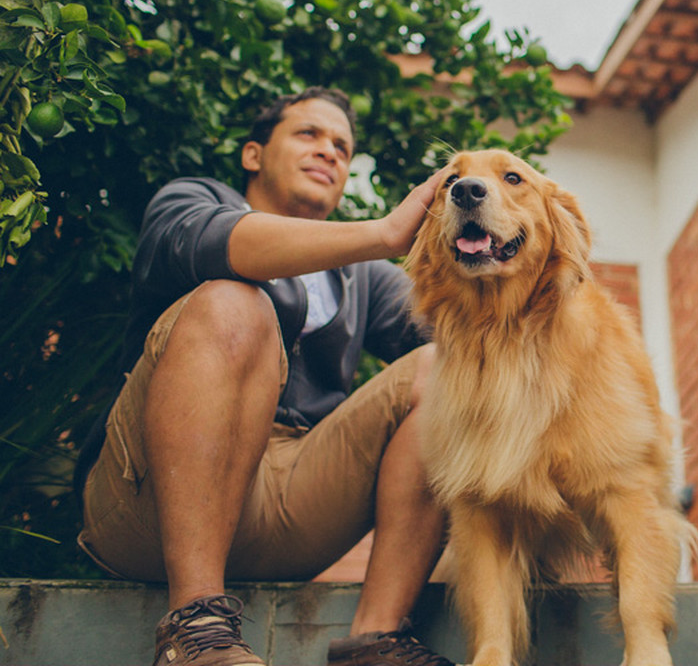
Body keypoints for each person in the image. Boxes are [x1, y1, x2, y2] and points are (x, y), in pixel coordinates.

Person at [73, 87, 456, 666]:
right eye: (308, 135)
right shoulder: (190, 199)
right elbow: (222, 246)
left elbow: (465, 332)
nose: (328, 151)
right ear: (254, 154)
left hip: (291, 504)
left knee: (445, 369)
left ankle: (376, 641)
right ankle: (195, 628)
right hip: (149, 502)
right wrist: (381, 232)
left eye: (341, 147)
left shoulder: (365, 279)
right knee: (234, 301)